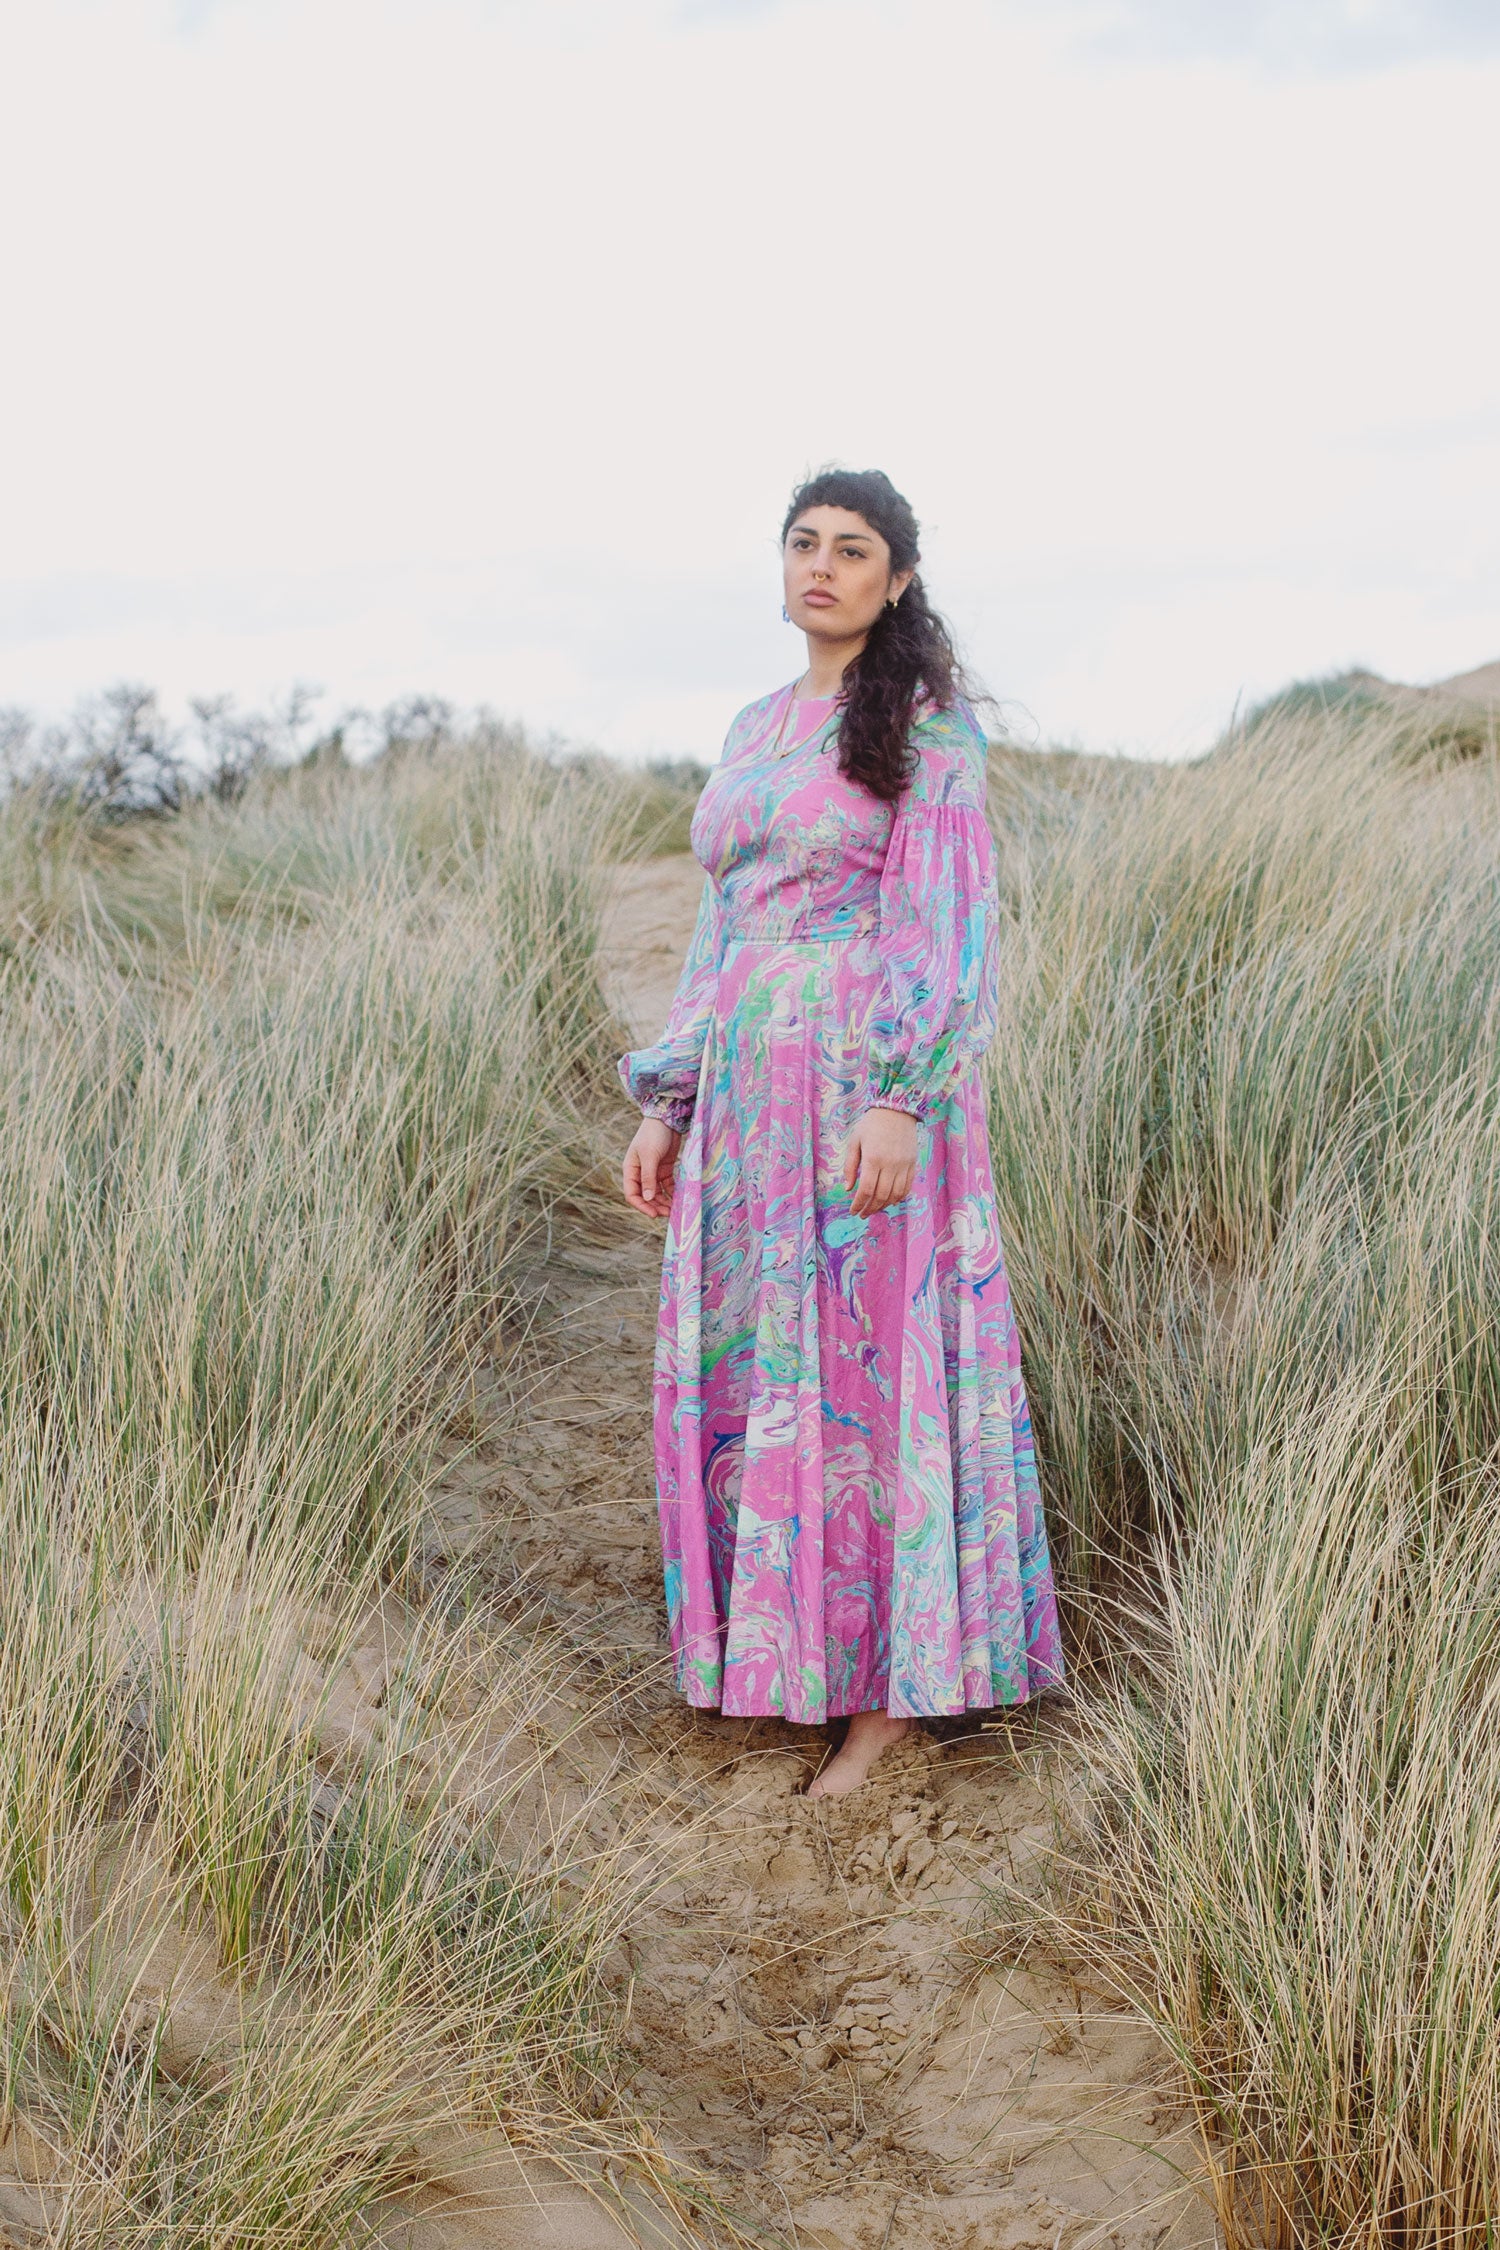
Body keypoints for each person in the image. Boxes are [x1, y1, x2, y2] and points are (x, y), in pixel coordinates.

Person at [620, 467, 1063, 1798]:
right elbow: (720, 930)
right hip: (747, 1093)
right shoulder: (755, 724)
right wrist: (670, 1099)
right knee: (764, 1370)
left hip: (863, 1087)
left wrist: (900, 1093)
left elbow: (947, 922)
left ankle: (888, 1699)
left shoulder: (929, 730)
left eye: (853, 548)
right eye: (803, 542)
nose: (822, 564)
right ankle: (786, 1651)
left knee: (871, 1376)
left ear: (897, 577)